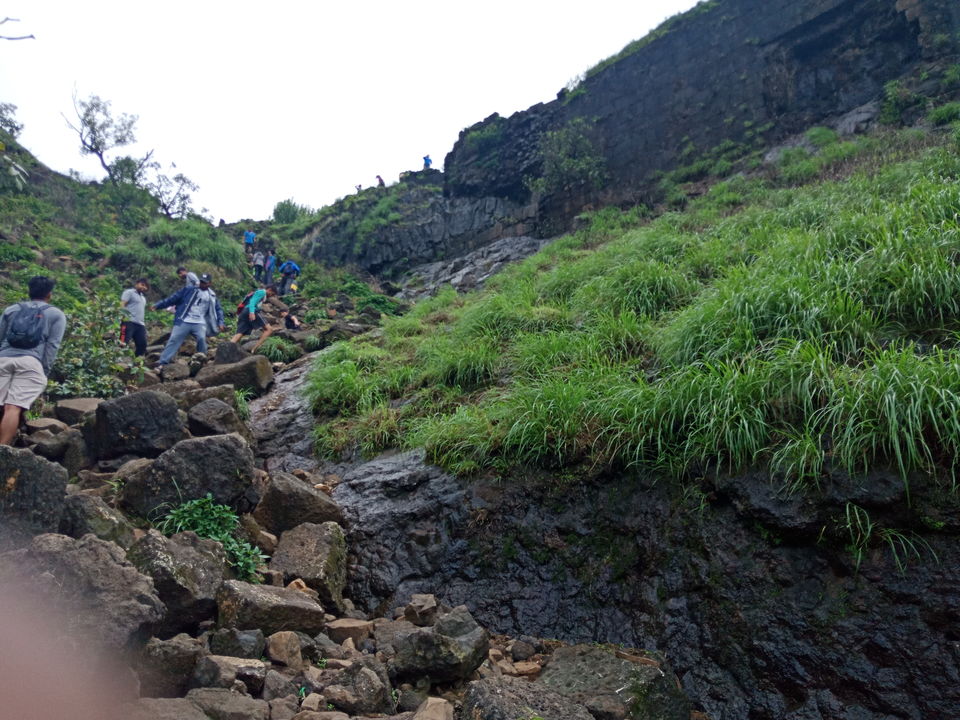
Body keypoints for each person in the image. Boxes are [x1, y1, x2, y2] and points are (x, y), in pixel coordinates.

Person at [0, 276, 67, 445]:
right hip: (30, 361)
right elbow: (52, 346)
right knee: (12, 407)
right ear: (49, 294)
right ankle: (3, 451)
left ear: (29, 291)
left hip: (3, 358)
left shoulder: (11, 309)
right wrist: (43, 370)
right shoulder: (55, 314)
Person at [153, 273, 225, 367]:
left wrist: (220, 322)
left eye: (205, 283)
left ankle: (201, 361)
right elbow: (173, 299)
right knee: (174, 339)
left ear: (210, 283)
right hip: (184, 320)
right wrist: (158, 305)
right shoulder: (189, 290)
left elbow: (218, 309)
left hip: (200, 322)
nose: (202, 284)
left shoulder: (212, 295)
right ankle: (162, 362)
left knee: (202, 339)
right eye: (201, 282)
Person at [230, 285, 278, 351]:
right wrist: (252, 312)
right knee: (269, 329)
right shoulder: (262, 292)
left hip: (244, 312)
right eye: (272, 294)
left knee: (240, 333)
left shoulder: (259, 293)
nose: (271, 295)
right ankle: (254, 349)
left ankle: (227, 348)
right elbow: (252, 301)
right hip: (251, 311)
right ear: (269, 289)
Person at [119, 278, 150, 357]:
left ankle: (136, 363)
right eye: (142, 285)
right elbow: (122, 304)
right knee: (123, 342)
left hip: (140, 324)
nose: (143, 287)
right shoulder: (129, 292)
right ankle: (117, 362)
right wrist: (123, 317)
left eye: (145, 286)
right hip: (129, 321)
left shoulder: (143, 298)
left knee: (142, 345)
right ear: (137, 284)